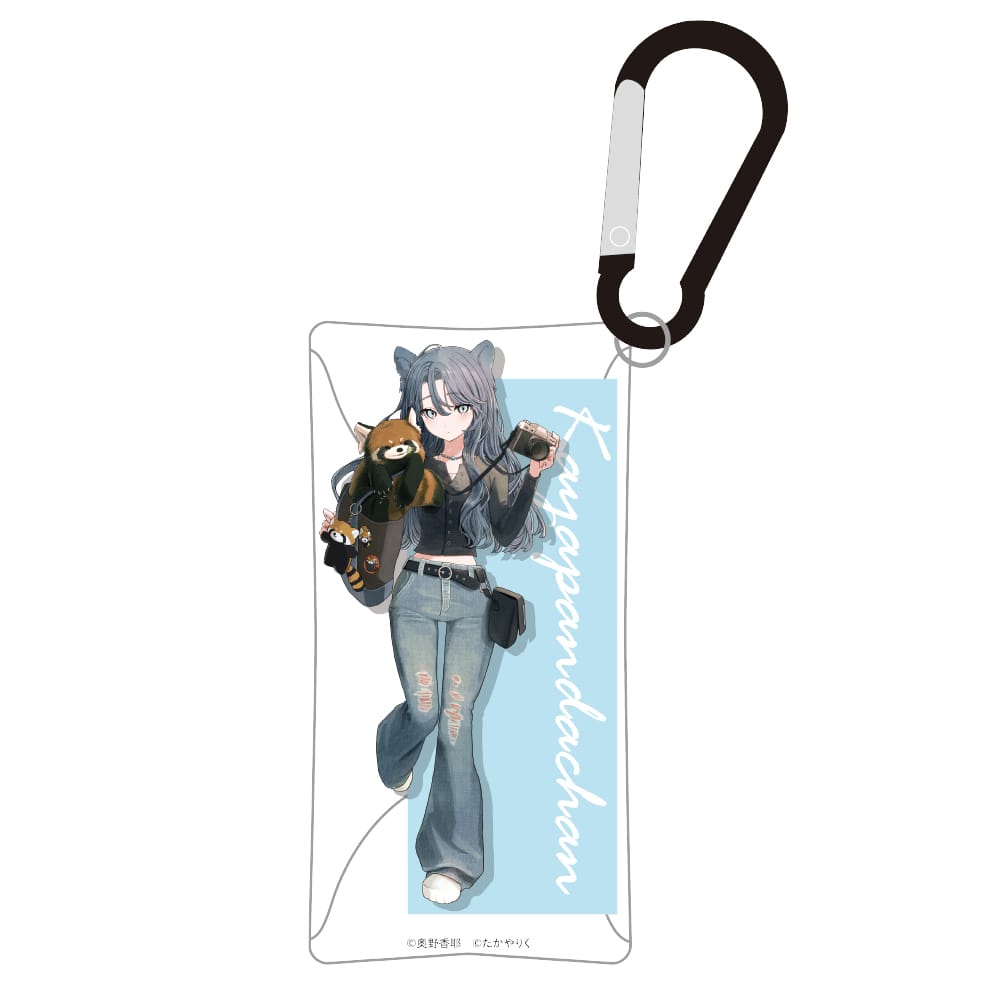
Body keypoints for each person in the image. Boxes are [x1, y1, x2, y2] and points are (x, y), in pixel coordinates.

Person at [374, 340, 556, 905]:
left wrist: (531, 476)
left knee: (456, 722)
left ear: (477, 406)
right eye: (431, 409)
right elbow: (385, 522)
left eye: (457, 406)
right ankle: (392, 748)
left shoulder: (489, 467)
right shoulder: (409, 463)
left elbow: (504, 531)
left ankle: (451, 860)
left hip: (472, 596)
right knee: (424, 708)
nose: (445, 419)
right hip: (415, 592)